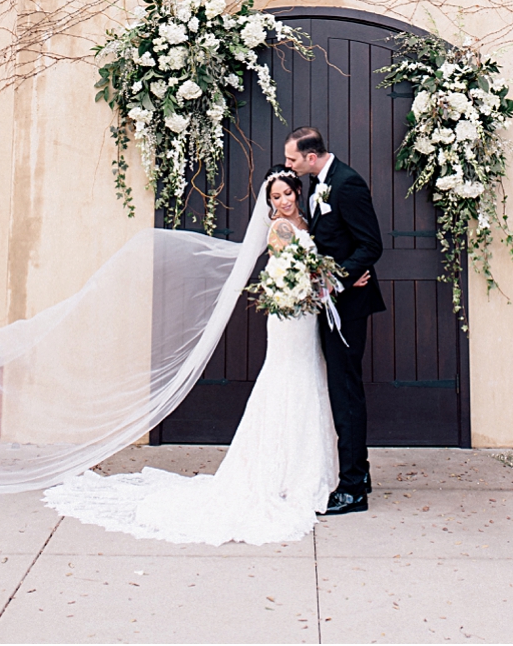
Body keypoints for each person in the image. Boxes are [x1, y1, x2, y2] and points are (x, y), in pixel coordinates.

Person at [41, 170, 339, 544]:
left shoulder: (306, 222)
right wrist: (305, 285)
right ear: (270, 203)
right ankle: (280, 472)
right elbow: (285, 272)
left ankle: (304, 469)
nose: (283, 202)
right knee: (286, 378)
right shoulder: (279, 230)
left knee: (310, 376)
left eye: (287, 194)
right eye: (275, 197)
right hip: (289, 316)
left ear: (297, 191)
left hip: (306, 316)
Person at [283, 125, 385, 515]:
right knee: (341, 390)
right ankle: (360, 473)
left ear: (311, 157)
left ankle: (353, 489)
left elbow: (371, 244)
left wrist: (337, 276)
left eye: (293, 158)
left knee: (345, 392)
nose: (289, 165)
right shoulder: (317, 184)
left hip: (347, 305)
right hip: (328, 302)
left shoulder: (347, 184)